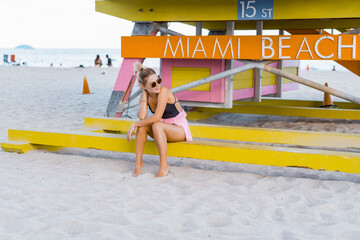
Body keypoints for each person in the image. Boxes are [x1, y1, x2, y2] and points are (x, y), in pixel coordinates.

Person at [127, 62, 192, 177]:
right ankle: (138, 164)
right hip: (162, 130)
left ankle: (164, 165)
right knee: (143, 126)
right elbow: (142, 117)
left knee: (156, 124)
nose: (157, 85)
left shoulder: (164, 91)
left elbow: (157, 117)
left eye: (158, 81)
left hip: (179, 129)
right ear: (144, 86)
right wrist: (144, 96)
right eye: (152, 84)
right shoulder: (146, 95)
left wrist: (135, 124)